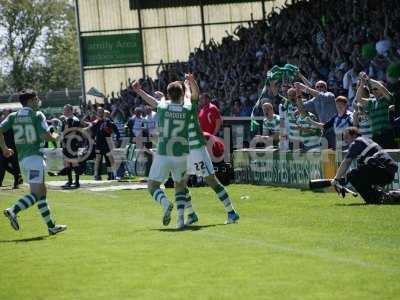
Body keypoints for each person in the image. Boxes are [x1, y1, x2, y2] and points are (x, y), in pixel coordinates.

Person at [0, 89, 67, 235]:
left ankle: (51, 227)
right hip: (35, 159)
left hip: (23, 160)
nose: (38, 101)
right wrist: (56, 136)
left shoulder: (13, 115)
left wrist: (4, 148)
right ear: (30, 101)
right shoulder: (37, 114)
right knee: (37, 194)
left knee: (41, 193)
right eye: (36, 99)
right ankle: (13, 210)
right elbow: (45, 135)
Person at [132, 80, 192, 229]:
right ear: (182, 94)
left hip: (164, 151)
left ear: (168, 95)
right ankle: (180, 221)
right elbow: (188, 97)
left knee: (152, 185)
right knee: (180, 186)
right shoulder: (187, 107)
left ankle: (165, 203)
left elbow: (152, 101)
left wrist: (139, 91)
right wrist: (188, 86)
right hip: (182, 152)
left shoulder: (163, 106)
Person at [184, 74, 239, 225]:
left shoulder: (190, 105)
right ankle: (191, 214)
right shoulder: (174, 106)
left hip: (198, 149)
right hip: (186, 150)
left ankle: (231, 212)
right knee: (180, 182)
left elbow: (194, 94)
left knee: (211, 181)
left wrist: (191, 82)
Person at [333, 127, 399, 204]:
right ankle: (389, 196)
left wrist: (336, 178)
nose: (345, 141)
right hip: (388, 172)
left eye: (347, 137)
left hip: (383, 171)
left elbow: (347, 161)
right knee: (358, 173)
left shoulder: (356, 143)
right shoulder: (366, 140)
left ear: (354, 135)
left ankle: (377, 199)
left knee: (353, 175)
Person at [61, 104, 89, 188]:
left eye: (65, 110)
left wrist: (64, 136)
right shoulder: (66, 120)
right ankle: (70, 181)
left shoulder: (74, 120)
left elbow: (73, 133)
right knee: (68, 162)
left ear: (70, 110)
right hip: (67, 144)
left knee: (74, 162)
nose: (64, 111)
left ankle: (77, 182)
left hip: (73, 144)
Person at [91, 108, 121, 180]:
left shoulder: (108, 122)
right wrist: (93, 140)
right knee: (98, 160)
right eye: (99, 112)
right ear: (97, 113)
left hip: (107, 143)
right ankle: (97, 175)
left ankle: (112, 175)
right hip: (98, 143)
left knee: (109, 159)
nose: (100, 114)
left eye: (101, 112)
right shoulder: (95, 123)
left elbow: (116, 131)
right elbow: (92, 133)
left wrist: (116, 139)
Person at [0, 109, 23, 188]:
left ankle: (17, 182)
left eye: (5, 112)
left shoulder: (14, 123)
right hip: (4, 147)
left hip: (14, 146)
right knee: (3, 164)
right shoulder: (3, 123)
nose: (3, 114)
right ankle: (18, 176)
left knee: (15, 164)